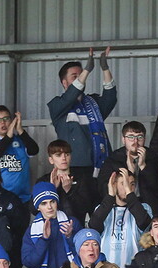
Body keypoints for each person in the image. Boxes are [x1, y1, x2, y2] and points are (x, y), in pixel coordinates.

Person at [48, 48, 117, 192]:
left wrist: (105, 68)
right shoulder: (57, 105)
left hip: (100, 167)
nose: (82, 79)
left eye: (83, 76)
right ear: (64, 83)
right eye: (75, 76)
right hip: (74, 170)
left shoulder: (93, 103)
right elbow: (70, 96)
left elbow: (110, 98)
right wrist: (87, 69)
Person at [89, 167, 154, 268]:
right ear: (114, 186)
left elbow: (144, 223)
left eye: (132, 184)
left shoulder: (144, 208)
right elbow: (93, 225)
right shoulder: (102, 209)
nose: (128, 188)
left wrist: (130, 195)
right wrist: (109, 196)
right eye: (123, 184)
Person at [99, 121, 158, 215]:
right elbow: (103, 189)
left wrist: (143, 167)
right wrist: (130, 172)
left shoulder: (154, 157)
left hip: (150, 208)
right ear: (123, 139)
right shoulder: (113, 159)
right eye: (130, 137)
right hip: (121, 208)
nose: (135, 141)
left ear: (144, 139)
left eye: (140, 137)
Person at [0, 105, 39, 203]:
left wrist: (20, 130)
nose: (2, 122)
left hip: (22, 198)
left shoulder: (20, 140)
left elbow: (34, 150)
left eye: (6, 119)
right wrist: (9, 135)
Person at [34, 139, 95, 224]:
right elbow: (33, 209)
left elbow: (86, 208)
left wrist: (69, 191)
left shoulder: (81, 179)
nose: (64, 158)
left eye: (67, 154)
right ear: (51, 160)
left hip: (75, 227)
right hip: (50, 228)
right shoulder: (43, 181)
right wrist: (52, 189)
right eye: (58, 155)